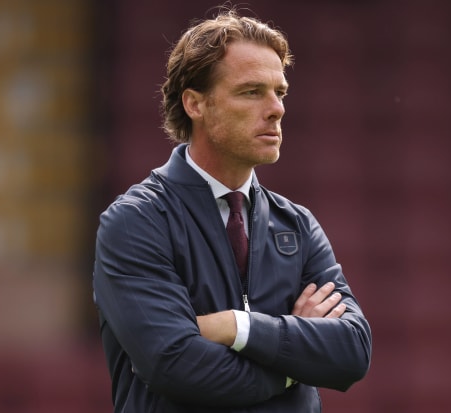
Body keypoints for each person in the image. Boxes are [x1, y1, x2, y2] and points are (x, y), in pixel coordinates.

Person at [93, 8, 372, 412]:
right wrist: (298, 362)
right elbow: (176, 366)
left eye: (280, 92)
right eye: (251, 91)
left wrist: (236, 328)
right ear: (195, 104)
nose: (276, 108)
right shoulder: (136, 221)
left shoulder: (297, 224)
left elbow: (352, 352)